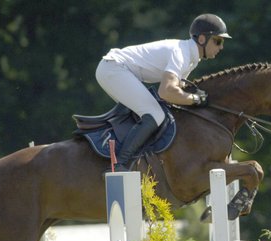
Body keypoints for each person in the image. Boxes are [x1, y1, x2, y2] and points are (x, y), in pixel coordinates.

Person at [95, 13, 231, 171]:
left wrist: (196, 99)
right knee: (154, 114)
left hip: (114, 69)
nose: (221, 47)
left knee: (156, 112)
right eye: (218, 41)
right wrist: (196, 99)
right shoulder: (181, 53)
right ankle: (120, 164)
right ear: (202, 39)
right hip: (114, 69)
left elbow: (175, 92)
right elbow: (166, 92)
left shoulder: (190, 56)